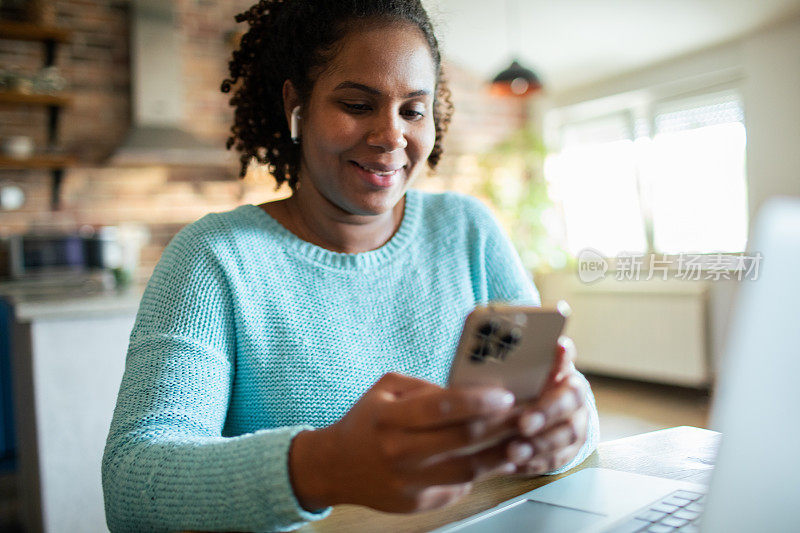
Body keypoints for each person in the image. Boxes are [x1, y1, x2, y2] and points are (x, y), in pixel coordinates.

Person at [101, 1, 599, 531]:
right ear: (297, 105)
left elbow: (561, 402)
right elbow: (132, 484)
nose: (392, 137)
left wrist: (563, 428)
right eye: (358, 104)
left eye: (413, 110)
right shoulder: (215, 258)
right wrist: (323, 466)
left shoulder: (468, 230)